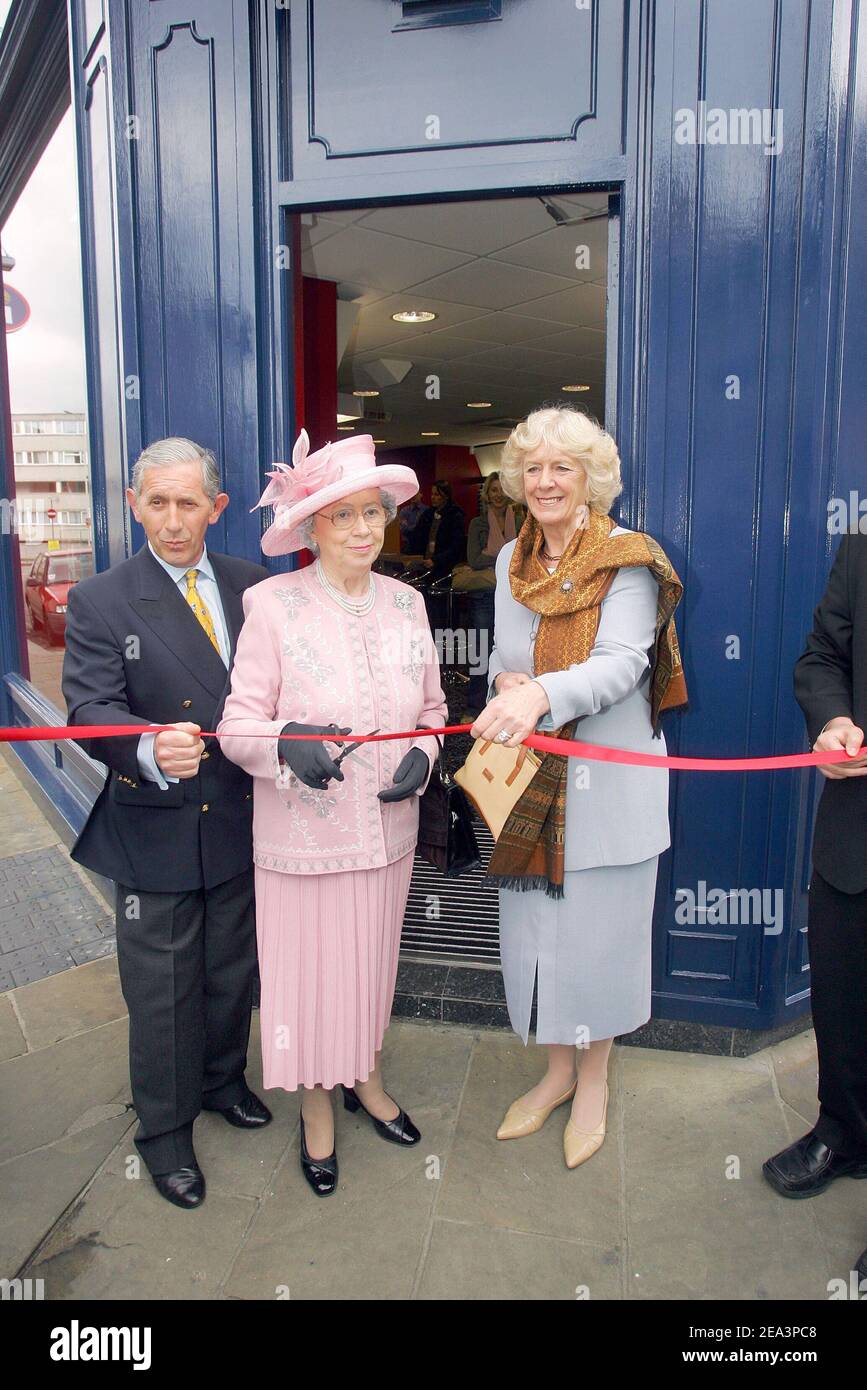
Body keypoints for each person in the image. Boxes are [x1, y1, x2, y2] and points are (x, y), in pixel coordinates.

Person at [217, 429, 447, 1198]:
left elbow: (433, 710)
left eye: (371, 514)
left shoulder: (409, 603)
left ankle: (366, 1079)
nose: (360, 530)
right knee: (310, 980)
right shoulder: (272, 604)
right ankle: (318, 1110)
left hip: (388, 833)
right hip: (302, 837)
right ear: (310, 526)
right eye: (341, 516)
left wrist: (426, 758)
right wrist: (284, 743)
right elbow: (237, 723)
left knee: (373, 966)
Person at [470, 405, 687, 1169]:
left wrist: (538, 697)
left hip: (610, 789)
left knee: (599, 944)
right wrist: (507, 679)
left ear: (590, 479)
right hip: (530, 783)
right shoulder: (509, 562)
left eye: (562, 466)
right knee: (538, 941)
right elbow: (505, 649)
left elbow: (624, 663)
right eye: (532, 467)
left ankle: (592, 1077)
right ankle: (555, 1073)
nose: (544, 480)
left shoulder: (628, 557)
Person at [62, 438, 271, 1211]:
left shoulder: (256, 589)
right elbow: (88, 711)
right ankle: (164, 1133)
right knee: (162, 991)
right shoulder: (102, 599)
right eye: (158, 502)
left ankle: (222, 1082)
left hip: (239, 820)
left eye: (190, 504)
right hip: (153, 826)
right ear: (133, 503)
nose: (173, 520)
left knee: (229, 973)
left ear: (217, 509)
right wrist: (147, 745)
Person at [763, 532, 867, 1280]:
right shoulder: (860, 554)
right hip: (853, 837)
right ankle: (844, 1132)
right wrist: (831, 722)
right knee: (841, 1001)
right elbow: (820, 660)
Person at [458, 473, 524, 719]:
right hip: (483, 595)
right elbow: (474, 559)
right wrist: (506, 559)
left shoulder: (520, 520)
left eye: (502, 490)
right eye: (493, 490)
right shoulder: (478, 523)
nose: (498, 495)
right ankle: (474, 707)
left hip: (513, 595)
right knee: (481, 652)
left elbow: (525, 558)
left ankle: (507, 704)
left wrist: (495, 558)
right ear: (487, 494)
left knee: (510, 651)